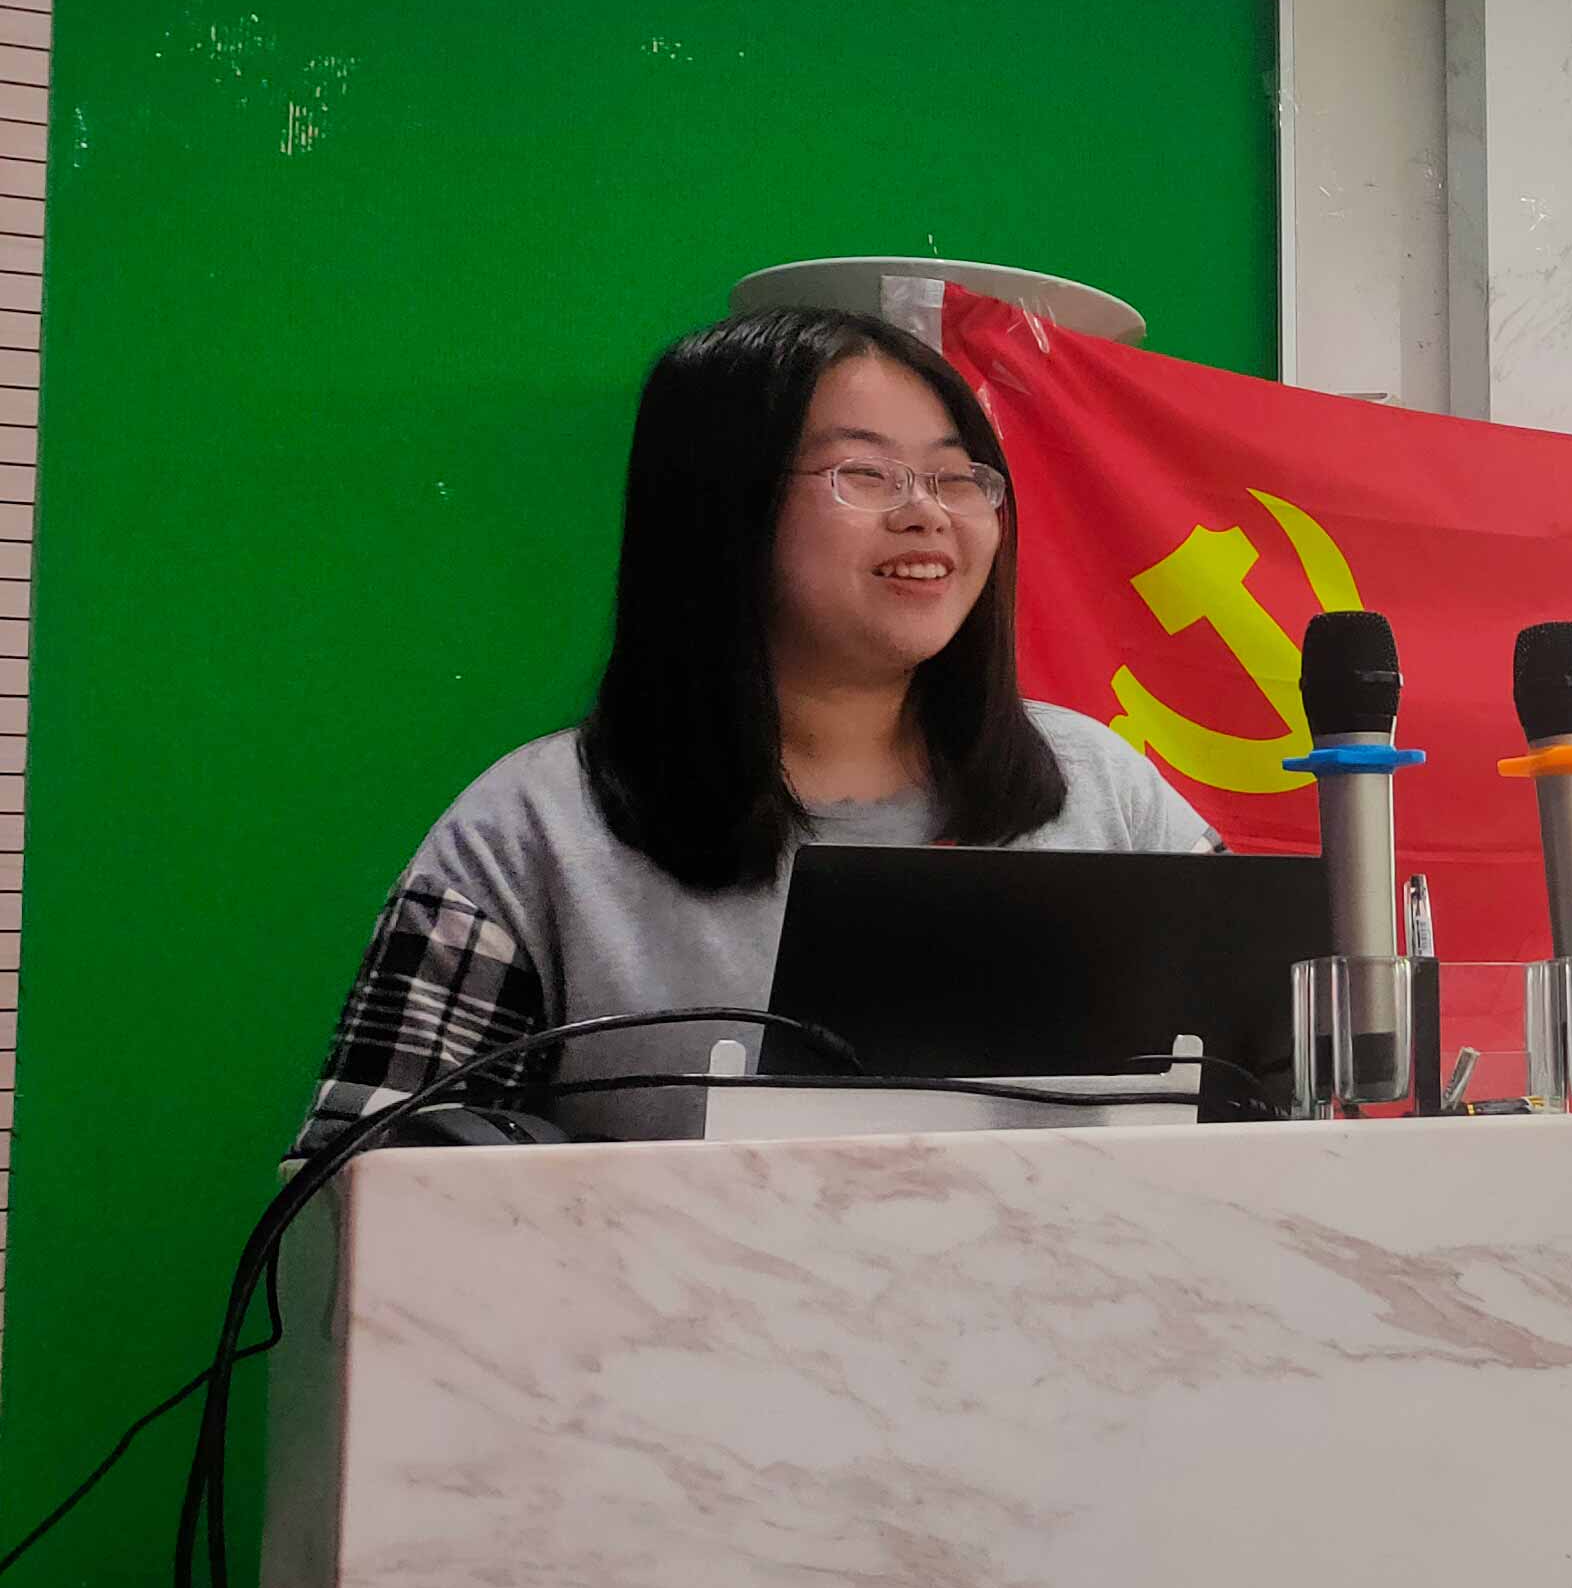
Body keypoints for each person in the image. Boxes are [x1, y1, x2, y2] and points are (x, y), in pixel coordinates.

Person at [296, 301, 1213, 1149]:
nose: (927, 514)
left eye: (955, 476)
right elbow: (361, 1177)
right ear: (721, 504)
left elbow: (1265, 1110)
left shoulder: (1104, 789)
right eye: (865, 473)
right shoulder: (535, 828)